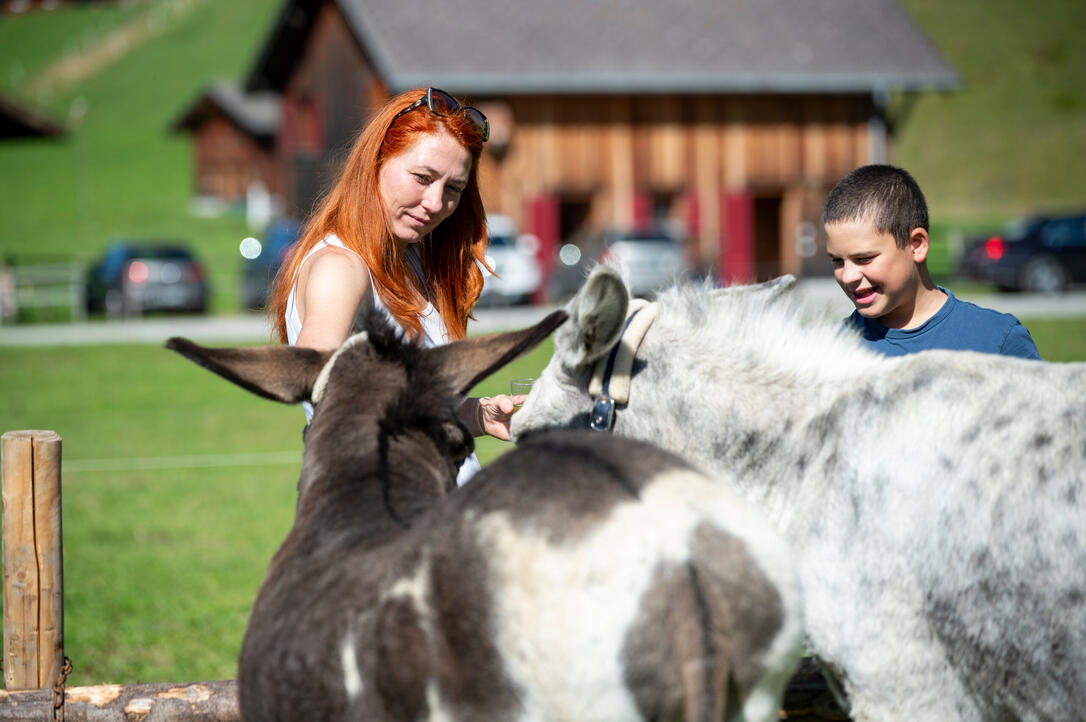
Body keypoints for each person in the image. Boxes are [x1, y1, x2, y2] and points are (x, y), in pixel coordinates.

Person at [267, 87, 520, 486]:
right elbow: (315, 383)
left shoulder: (412, 261)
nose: (436, 203)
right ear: (376, 162)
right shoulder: (340, 266)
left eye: (453, 189)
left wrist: (479, 415)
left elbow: (408, 407)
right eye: (422, 177)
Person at [822, 164, 1041, 359]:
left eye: (864, 258)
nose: (848, 276)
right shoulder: (827, 351)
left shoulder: (997, 340)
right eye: (837, 261)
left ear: (917, 245)